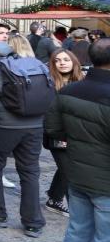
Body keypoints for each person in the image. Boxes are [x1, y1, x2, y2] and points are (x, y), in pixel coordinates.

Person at [45, 38, 110, 242]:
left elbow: (54, 132)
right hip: (102, 181)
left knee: (77, 233)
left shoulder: (69, 91)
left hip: (79, 174)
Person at [0, 35, 48, 238]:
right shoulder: (35, 64)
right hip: (35, 124)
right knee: (30, 171)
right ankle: (33, 222)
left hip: (5, 125)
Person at [44, 48, 83, 217]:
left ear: (73, 61)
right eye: (58, 60)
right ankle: (77, 212)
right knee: (70, 170)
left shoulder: (82, 81)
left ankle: (54, 198)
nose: (62, 63)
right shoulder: (49, 83)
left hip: (78, 134)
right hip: (57, 135)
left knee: (65, 168)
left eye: (66, 59)